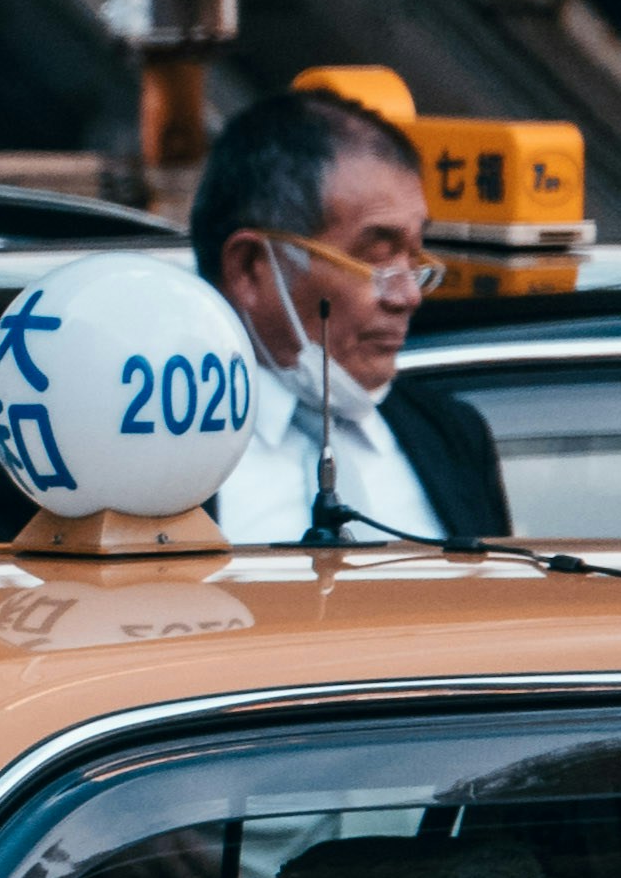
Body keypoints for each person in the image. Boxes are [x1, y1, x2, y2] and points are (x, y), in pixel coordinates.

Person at [191, 88, 506, 548]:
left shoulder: (451, 435)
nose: (407, 296)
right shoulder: (149, 456)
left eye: (414, 257)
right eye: (376, 256)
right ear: (251, 268)